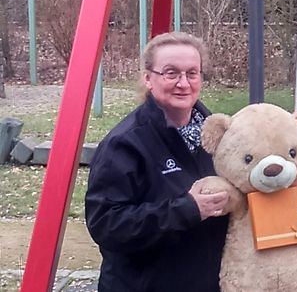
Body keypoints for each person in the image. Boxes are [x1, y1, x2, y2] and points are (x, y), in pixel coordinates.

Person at [85, 32, 229, 292]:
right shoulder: (125, 144)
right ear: (148, 79)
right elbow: (106, 225)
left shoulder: (218, 136)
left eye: (192, 73)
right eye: (171, 73)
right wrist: (187, 209)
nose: (183, 83)